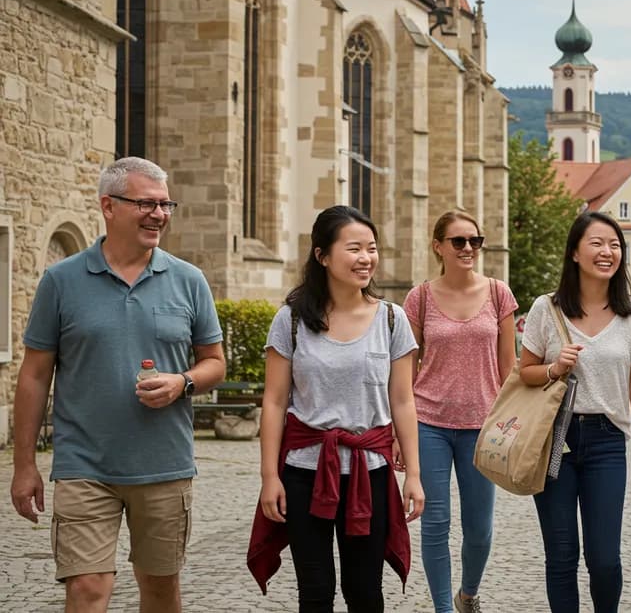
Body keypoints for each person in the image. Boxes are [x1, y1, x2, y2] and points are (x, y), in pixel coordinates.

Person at [10, 157, 226, 612]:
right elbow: (33, 375)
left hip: (164, 465)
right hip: (83, 465)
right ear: (108, 206)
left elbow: (214, 363)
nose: (160, 214)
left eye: (166, 204)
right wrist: (24, 465)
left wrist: (182, 382)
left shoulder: (189, 281)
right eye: (146, 203)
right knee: (87, 588)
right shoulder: (61, 281)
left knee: (160, 589)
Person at [249, 205, 425, 612]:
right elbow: (274, 402)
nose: (366, 258)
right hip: (304, 472)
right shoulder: (291, 320)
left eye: (371, 248)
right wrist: (269, 477)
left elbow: (402, 400)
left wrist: (413, 475)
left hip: (371, 472)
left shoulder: (393, 320)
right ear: (322, 255)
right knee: (315, 591)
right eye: (354, 248)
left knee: (365, 592)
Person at [517, 211, 631, 613]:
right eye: (596, 243)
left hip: (607, 442)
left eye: (614, 245)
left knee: (604, 559)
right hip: (553, 440)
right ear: (575, 252)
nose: (607, 252)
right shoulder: (548, 308)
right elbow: (524, 373)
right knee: (561, 557)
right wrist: (553, 367)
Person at [403, 211, 518, 613]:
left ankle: (467, 593)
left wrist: (512, 423)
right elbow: (406, 370)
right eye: (458, 241)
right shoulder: (418, 299)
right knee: (435, 524)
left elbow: (510, 370)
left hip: (483, 426)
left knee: (480, 530)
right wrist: (401, 434)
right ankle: (443, 608)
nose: (468, 248)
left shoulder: (500, 293)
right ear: (438, 246)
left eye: (475, 240)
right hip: (428, 421)